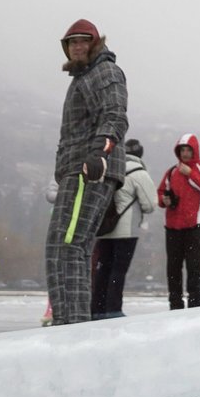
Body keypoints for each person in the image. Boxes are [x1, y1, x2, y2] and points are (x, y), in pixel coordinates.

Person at [47, 19, 129, 327]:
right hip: (77, 170)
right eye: (72, 42)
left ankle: (69, 325)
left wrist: (99, 154)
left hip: (90, 170)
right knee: (72, 248)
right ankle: (72, 321)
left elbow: (114, 115)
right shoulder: (82, 77)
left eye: (84, 41)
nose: (78, 46)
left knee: (64, 247)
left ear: (95, 43)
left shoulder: (103, 72)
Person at [91, 139, 156, 318]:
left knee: (102, 270)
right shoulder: (139, 173)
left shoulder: (111, 169)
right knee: (118, 270)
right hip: (126, 231)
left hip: (105, 229)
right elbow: (150, 204)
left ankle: (97, 309)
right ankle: (113, 309)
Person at [157, 132, 200, 310]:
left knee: (193, 267)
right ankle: (175, 303)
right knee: (173, 268)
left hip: (194, 226)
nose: (185, 154)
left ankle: (195, 302)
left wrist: (191, 173)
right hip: (172, 227)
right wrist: (164, 200)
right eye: (182, 150)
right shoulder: (171, 172)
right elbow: (161, 192)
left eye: (188, 150)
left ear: (195, 151)